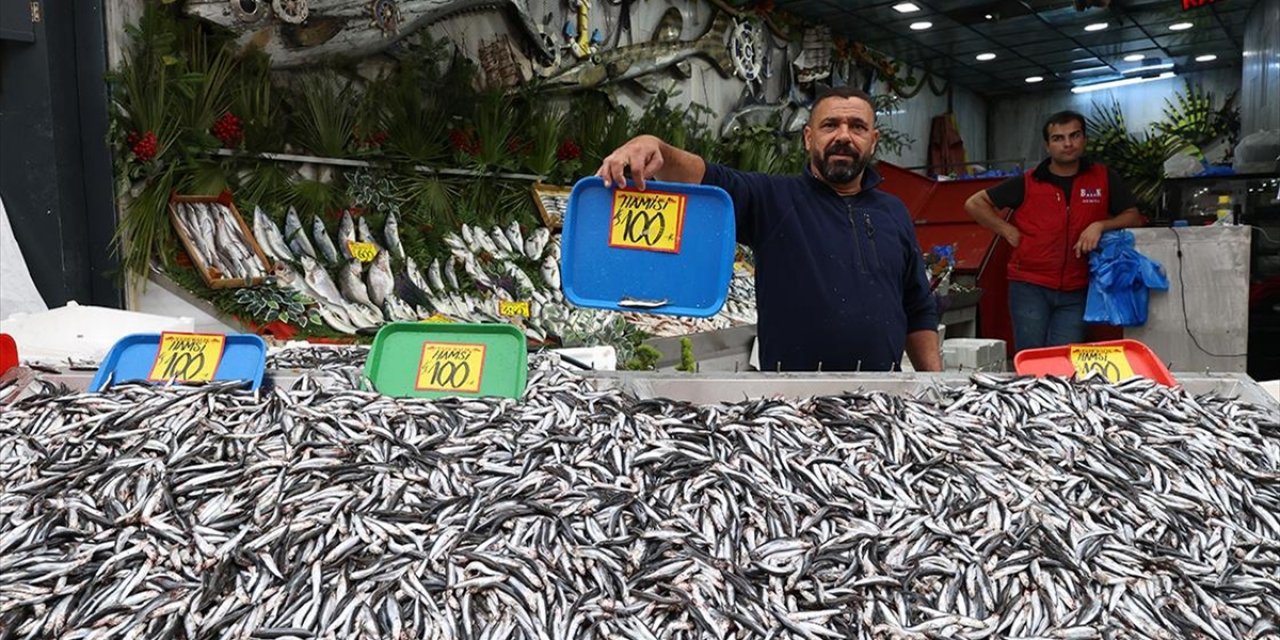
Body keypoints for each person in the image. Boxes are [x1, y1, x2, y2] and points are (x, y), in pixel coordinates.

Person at [597, 86, 941, 372]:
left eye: (857, 127)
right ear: (808, 137)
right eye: (830, 125)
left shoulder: (893, 212)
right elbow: (709, 177)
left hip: (884, 402)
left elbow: (917, 306)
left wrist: (937, 388)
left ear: (873, 140)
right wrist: (654, 146)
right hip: (792, 404)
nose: (843, 136)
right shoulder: (772, 199)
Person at [964, 110, 1143, 351]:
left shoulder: (1103, 178)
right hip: (1029, 286)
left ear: (1084, 139)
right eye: (1058, 138)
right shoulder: (1027, 182)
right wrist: (1006, 230)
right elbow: (974, 203)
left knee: (1064, 360)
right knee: (1031, 357)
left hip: (1077, 288)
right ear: (1047, 146)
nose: (1068, 143)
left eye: (1074, 135)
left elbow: (1133, 216)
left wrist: (1100, 225)